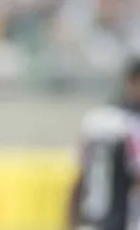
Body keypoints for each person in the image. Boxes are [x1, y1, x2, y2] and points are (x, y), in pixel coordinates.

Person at [69, 60, 140, 230]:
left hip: (89, 223)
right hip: (118, 221)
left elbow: (79, 180)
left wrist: (71, 223)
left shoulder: (96, 119)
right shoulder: (132, 125)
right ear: (132, 81)